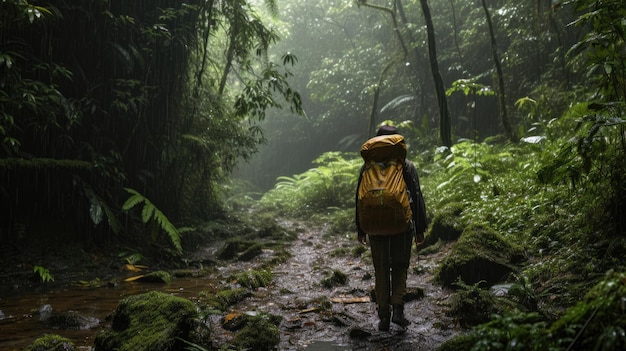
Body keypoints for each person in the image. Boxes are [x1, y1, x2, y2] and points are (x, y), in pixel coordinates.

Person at [355, 125, 428, 331]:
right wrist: (420, 228)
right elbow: (416, 197)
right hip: (402, 225)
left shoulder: (367, 167)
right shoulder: (406, 166)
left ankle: (383, 317)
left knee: (380, 268)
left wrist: (361, 228)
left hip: (375, 227)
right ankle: (398, 311)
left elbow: (360, 199)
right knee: (400, 265)